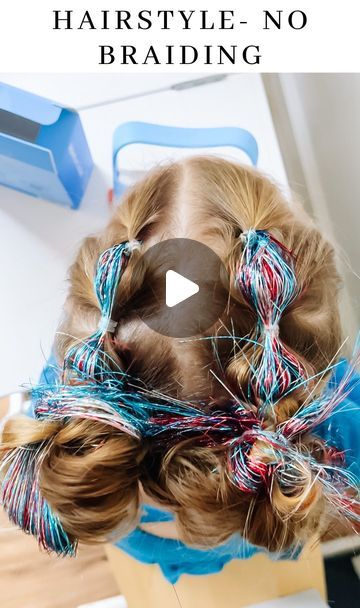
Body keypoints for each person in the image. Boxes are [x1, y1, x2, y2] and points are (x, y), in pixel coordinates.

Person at [1, 157, 359, 584]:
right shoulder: (334, 423)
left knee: (197, 551)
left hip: (151, 538)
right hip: (255, 524)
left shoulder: (71, 391)